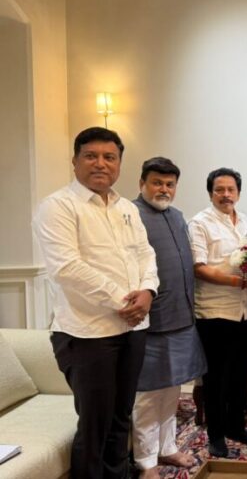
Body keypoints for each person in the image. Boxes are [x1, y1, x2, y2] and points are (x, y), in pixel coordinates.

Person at [32, 127, 159, 479]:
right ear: (74, 161)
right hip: (87, 333)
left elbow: (146, 254)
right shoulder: (57, 206)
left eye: (109, 157)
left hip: (133, 328)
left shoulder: (127, 208)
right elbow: (67, 268)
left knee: (121, 416)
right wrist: (125, 301)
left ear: (119, 164)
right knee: (95, 423)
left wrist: (148, 291)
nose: (100, 163)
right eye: (91, 156)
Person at [131, 157, 207, 478]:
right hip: (151, 323)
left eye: (169, 184)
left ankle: (167, 447)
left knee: (173, 390)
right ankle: (146, 461)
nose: (163, 189)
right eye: (157, 183)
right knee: (148, 395)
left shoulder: (176, 216)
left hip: (181, 317)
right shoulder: (130, 215)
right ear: (142, 184)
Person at [188, 167, 247, 458]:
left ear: (238, 193)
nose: (225, 195)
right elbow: (199, 268)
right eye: (219, 190)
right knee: (216, 379)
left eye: (231, 189)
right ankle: (216, 435)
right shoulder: (199, 223)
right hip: (214, 312)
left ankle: (236, 426)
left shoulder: (244, 220)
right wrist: (239, 282)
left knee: (239, 374)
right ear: (210, 193)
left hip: (244, 310)